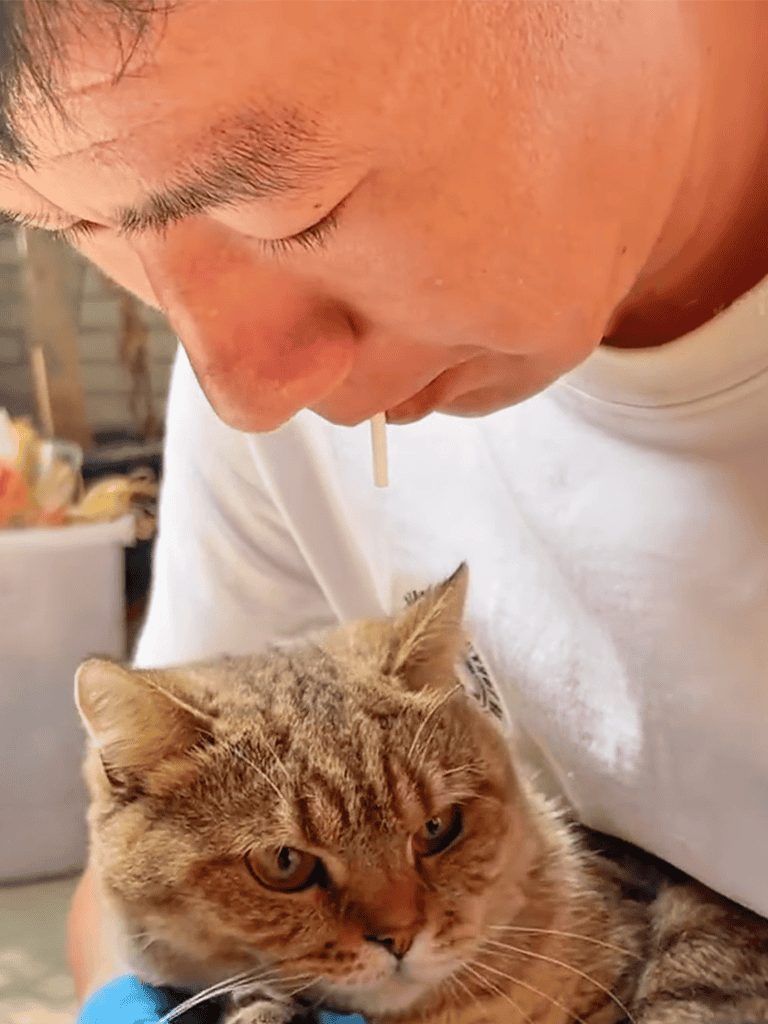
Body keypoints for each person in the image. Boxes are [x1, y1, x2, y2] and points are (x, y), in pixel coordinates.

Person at [2, 1, 768, 1020]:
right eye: (83, 225)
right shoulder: (269, 385)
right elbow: (136, 868)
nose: (239, 387)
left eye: (294, 209)